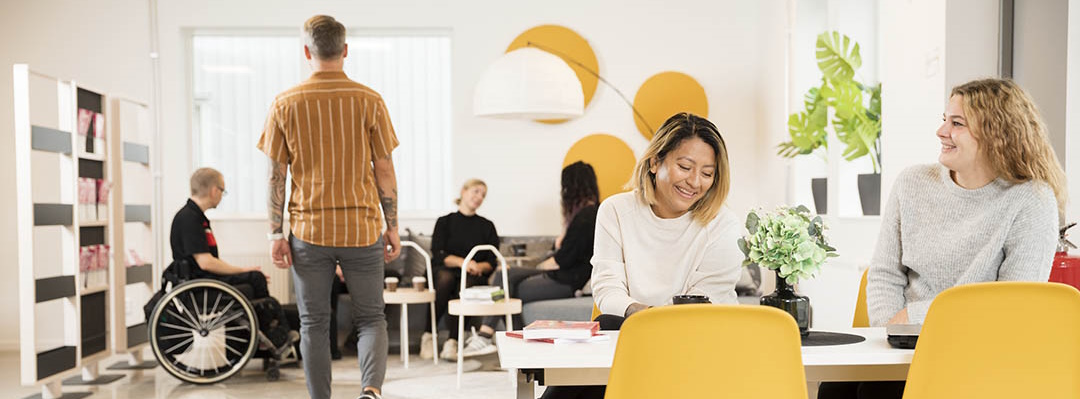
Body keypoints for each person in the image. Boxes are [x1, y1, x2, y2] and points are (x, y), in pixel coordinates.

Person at [819, 78, 1066, 399]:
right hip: (900, 346)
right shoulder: (912, 183)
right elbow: (883, 274)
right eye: (944, 120)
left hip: (975, 355)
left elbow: (1009, 307)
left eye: (957, 123)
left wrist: (917, 317)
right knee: (837, 390)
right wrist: (894, 334)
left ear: (997, 134)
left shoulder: (1031, 200)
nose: (941, 131)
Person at [543, 112, 744, 399]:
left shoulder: (723, 225)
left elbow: (698, 308)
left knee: (614, 332)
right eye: (685, 166)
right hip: (633, 334)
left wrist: (645, 321)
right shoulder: (615, 211)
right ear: (654, 162)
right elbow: (607, 289)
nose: (695, 182)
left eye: (707, 173)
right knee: (612, 327)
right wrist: (643, 316)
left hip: (699, 343)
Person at [257, 15, 401, 399]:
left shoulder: (284, 103)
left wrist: (275, 232)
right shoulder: (370, 101)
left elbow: (276, 175)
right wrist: (392, 226)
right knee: (371, 318)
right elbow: (384, 168)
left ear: (307, 51)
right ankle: (371, 391)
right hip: (362, 227)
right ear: (345, 50)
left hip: (309, 232)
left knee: (314, 323)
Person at [461, 161, 601, 357]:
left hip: (567, 280)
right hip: (565, 275)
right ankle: (512, 341)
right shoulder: (588, 213)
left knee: (508, 285)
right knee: (506, 276)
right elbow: (569, 249)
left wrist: (541, 265)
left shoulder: (586, 216)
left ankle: (485, 335)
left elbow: (562, 260)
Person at [169, 167, 294, 349]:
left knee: (254, 280)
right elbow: (206, 262)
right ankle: (268, 336)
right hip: (200, 289)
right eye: (222, 191)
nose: (222, 196)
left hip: (203, 282)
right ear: (214, 191)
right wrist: (244, 270)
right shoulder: (189, 219)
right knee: (254, 278)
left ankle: (264, 336)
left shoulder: (195, 216)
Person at [421, 179, 500, 361]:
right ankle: (428, 335)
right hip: (446, 270)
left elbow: (491, 260)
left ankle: (453, 340)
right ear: (463, 192)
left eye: (483, 195)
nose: (479, 197)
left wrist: (477, 266)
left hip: (472, 276)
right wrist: (464, 262)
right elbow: (439, 254)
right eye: (476, 191)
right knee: (445, 279)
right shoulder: (444, 222)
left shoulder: (487, 226)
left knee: (465, 285)